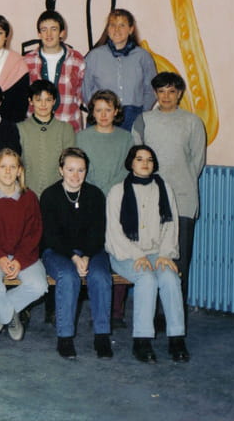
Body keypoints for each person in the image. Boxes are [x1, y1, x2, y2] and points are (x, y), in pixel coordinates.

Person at [106, 145, 190, 363]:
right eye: (139, 159)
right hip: (125, 254)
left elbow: (171, 225)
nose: (145, 163)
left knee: (170, 278)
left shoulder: (164, 188)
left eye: (149, 159)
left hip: (156, 252)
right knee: (147, 279)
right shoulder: (118, 191)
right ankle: (141, 340)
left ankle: (176, 338)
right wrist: (137, 255)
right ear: (130, 163)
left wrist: (165, 254)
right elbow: (115, 232)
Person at [132, 72, 206, 308]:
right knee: (153, 261)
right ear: (155, 93)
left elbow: (197, 162)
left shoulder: (192, 122)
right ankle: (153, 315)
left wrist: (179, 184)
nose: (166, 96)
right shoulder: (143, 120)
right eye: (161, 91)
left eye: (171, 91)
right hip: (151, 202)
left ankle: (175, 317)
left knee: (179, 263)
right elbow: (137, 160)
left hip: (183, 201)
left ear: (179, 93)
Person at [40, 148, 112, 359]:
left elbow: (98, 232)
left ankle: (102, 336)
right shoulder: (50, 195)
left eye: (81, 170)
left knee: (101, 276)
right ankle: (65, 337)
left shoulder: (95, 195)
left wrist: (86, 256)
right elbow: (51, 235)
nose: (75, 175)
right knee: (68, 276)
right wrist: (73, 257)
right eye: (70, 169)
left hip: (91, 250)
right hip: (58, 251)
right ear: (60, 170)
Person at [0, 148, 48, 343]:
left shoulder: (29, 197)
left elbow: (33, 233)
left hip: (23, 254)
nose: (8, 172)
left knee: (39, 286)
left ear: (19, 171)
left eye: (12, 167)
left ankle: (2, 312)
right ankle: (10, 315)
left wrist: (19, 260)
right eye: (3, 167)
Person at [76, 89, 134, 328]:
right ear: (92, 112)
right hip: (89, 201)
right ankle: (96, 308)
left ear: (116, 111)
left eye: (108, 110)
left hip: (117, 200)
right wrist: (92, 194)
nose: (103, 115)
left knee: (117, 253)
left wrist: (113, 194)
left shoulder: (126, 138)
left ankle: (116, 312)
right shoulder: (82, 137)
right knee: (92, 253)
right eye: (98, 110)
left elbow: (127, 170)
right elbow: (79, 169)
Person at [83, 9, 157, 129]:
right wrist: (98, 111)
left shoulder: (143, 57)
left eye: (122, 25)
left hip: (133, 118)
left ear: (131, 29)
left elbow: (151, 89)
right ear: (108, 30)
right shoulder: (94, 56)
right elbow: (85, 88)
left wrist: (142, 114)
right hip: (102, 118)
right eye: (112, 25)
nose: (116, 30)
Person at [24, 10, 85, 132]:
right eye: (44, 29)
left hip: (69, 127)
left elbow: (81, 95)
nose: (49, 34)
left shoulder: (76, 60)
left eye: (54, 29)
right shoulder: (27, 61)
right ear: (39, 34)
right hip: (36, 129)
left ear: (62, 33)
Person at [16, 79, 76, 197]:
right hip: (27, 194)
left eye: (48, 100)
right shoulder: (20, 129)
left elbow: (70, 166)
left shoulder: (66, 129)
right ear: (30, 101)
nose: (43, 105)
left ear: (54, 101)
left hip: (58, 195)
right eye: (38, 100)